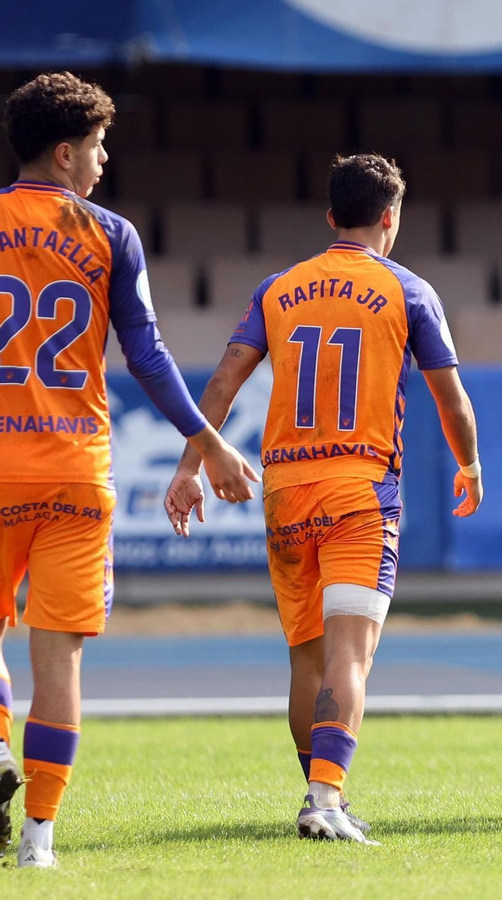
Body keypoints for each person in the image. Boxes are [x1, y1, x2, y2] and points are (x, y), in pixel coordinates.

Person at [163, 154, 483, 843]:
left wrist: (192, 464)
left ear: (331, 216)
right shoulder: (408, 290)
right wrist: (470, 464)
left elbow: (221, 382)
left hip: (283, 491)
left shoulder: (279, 288)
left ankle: (318, 795)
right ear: (391, 218)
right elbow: (449, 396)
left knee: (306, 658)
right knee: (350, 654)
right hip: (358, 489)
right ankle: (326, 798)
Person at [0, 72, 259, 867]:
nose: (105, 160)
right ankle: (38, 838)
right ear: (66, 150)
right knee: (59, 660)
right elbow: (144, 355)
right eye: (100, 145)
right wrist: (208, 440)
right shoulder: (109, 233)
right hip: (76, 472)